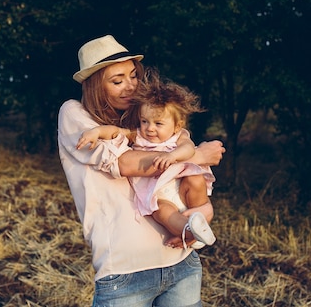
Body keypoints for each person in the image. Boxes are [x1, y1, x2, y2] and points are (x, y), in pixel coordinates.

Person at [57, 35, 225, 306]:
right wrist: (198, 155)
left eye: (133, 76)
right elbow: (126, 163)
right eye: (117, 80)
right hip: (126, 272)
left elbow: (178, 139)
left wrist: (189, 154)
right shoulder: (74, 113)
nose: (130, 86)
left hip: (180, 260)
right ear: (95, 85)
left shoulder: (144, 117)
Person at [77, 69, 217, 250]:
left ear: (177, 126)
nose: (149, 128)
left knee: (195, 179)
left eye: (158, 123)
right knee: (164, 212)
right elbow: (114, 131)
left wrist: (172, 156)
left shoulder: (179, 137)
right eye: (144, 121)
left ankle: (200, 217)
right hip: (156, 195)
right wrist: (96, 132)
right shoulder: (138, 136)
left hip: (182, 188)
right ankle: (189, 230)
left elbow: (189, 149)